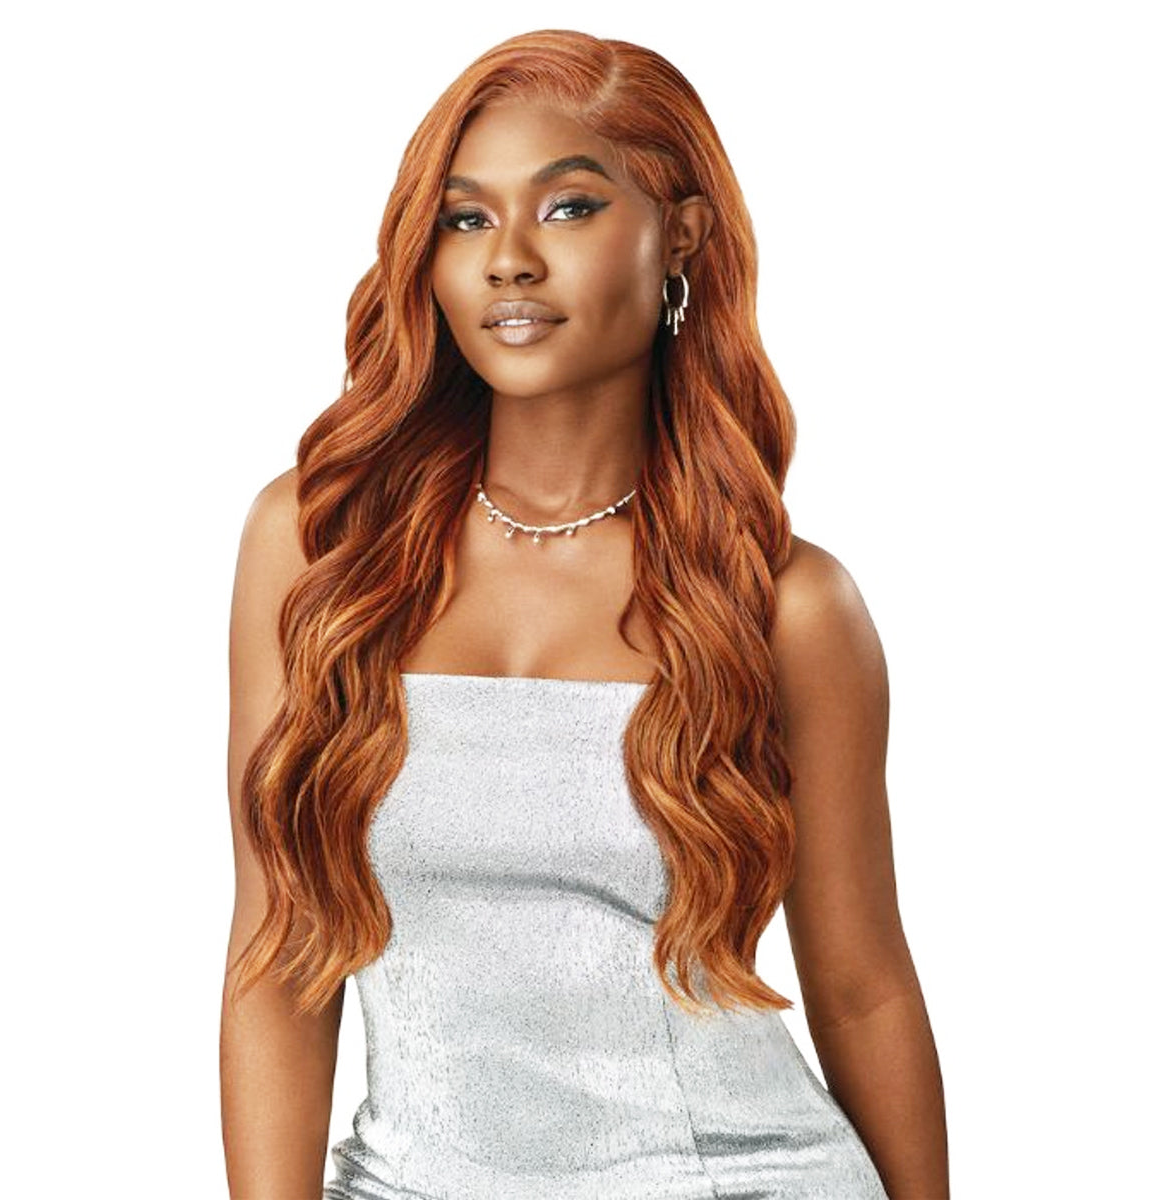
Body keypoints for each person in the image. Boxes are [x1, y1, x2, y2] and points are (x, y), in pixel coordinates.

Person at [220, 27, 948, 1200]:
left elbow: (862, 990)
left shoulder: (786, 608)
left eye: (567, 208)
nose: (509, 260)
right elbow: (277, 961)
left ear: (682, 237)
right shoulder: (320, 549)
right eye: (465, 219)